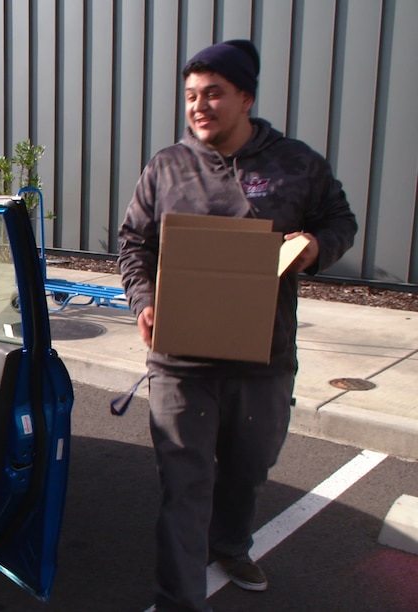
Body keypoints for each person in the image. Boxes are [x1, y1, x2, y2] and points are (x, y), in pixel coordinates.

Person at [117, 40, 357, 611]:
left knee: (249, 469)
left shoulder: (296, 163)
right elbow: (133, 243)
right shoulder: (167, 166)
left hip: (263, 359)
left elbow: (339, 218)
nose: (199, 106)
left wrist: (317, 245)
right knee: (184, 487)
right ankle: (180, 599)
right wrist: (144, 301)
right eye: (191, 96)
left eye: (214, 94)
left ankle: (229, 544)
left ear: (246, 98)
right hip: (180, 363)